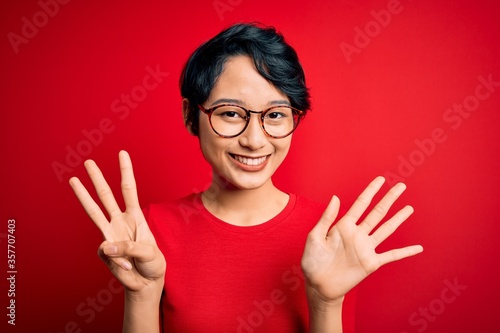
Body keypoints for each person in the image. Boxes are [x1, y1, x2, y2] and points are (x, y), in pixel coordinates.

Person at [69, 23, 423, 332]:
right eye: (231, 113)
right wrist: (141, 294)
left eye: (276, 115)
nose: (255, 140)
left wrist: (325, 303)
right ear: (191, 114)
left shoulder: (332, 237)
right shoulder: (148, 232)